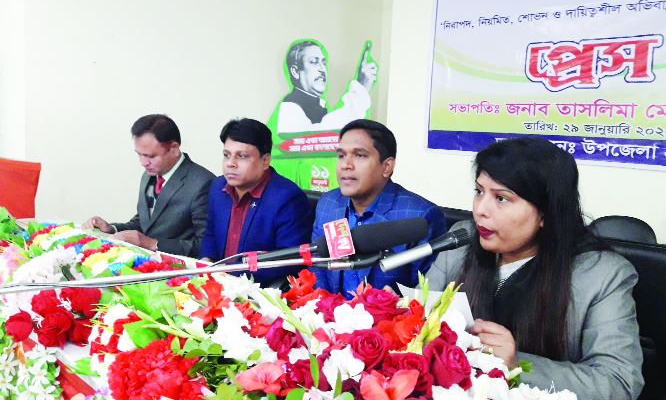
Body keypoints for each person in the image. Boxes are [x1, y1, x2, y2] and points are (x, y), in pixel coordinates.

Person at [426, 137, 643, 400]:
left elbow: (619, 386)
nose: (481, 209)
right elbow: (416, 328)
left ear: (546, 213)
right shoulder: (460, 248)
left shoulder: (602, 275)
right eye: (479, 191)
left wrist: (516, 364)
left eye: (501, 198)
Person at [311, 119, 447, 299]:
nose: (346, 165)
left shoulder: (420, 216)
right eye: (341, 155)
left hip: (388, 323)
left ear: (387, 167)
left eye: (359, 155)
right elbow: (317, 268)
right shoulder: (328, 204)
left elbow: (428, 293)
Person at [200, 118, 314, 285]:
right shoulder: (218, 187)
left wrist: (230, 273)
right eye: (226, 155)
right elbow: (210, 233)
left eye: (242, 156)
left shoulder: (287, 198)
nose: (230, 164)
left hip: (260, 291)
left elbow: (289, 260)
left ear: (265, 160)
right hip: (216, 284)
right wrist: (206, 260)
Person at [82, 114, 215, 258]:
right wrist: (111, 229)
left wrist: (153, 244)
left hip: (180, 273)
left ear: (174, 149)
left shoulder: (202, 183)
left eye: (150, 156)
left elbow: (207, 245)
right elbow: (144, 224)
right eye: (139, 155)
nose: (143, 162)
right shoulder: (149, 175)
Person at [276, 40, 377, 134]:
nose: (322, 69)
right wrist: (361, 88)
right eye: (313, 62)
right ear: (296, 71)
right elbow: (322, 136)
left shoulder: (318, 105)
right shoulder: (290, 108)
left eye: (323, 63)